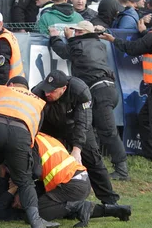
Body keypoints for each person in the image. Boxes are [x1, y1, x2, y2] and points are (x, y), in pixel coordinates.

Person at [0, 77, 59, 228]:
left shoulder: (2, 92)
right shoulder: (37, 102)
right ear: (27, 89)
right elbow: (33, 136)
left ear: (10, 85)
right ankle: (36, 221)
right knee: (25, 179)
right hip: (21, 133)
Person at [102, 9, 152, 172]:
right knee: (145, 118)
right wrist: (144, 32)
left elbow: (132, 48)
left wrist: (113, 39)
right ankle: (151, 153)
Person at [49, 20, 129, 180]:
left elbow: (62, 51)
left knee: (107, 132)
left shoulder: (78, 45)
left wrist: (55, 37)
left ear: (86, 34)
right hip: (107, 89)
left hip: (99, 91)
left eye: (79, 32)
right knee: (89, 128)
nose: (76, 34)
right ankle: (94, 163)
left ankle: (122, 170)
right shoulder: (98, 43)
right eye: (76, 31)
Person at [32, 70, 122, 205]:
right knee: (46, 163)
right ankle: (48, 201)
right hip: (51, 129)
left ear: (64, 88)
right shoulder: (38, 93)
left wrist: (77, 149)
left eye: (52, 91)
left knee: (93, 159)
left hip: (76, 126)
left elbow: (83, 121)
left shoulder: (80, 90)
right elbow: (34, 121)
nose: (47, 93)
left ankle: (110, 202)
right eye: (46, 89)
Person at [34, 132, 131, 227]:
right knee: (62, 209)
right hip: (80, 180)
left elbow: (27, 177)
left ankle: (80, 207)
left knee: (36, 212)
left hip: (72, 184)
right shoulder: (43, 137)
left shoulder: (31, 143)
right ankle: (112, 210)